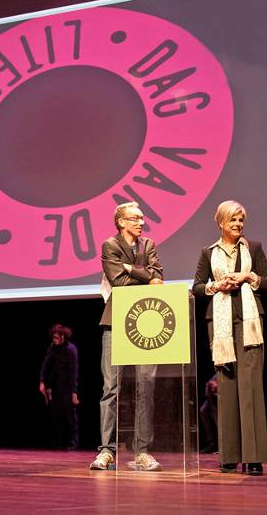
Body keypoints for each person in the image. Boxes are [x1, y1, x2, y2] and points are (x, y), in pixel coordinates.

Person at [193, 200, 267, 475]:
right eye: (233, 221)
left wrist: (249, 276)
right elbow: (197, 287)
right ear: (221, 223)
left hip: (249, 322)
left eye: (241, 220)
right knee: (226, 387)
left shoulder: (254, 248)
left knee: (250, 388)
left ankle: (253, 457)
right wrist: (217, 285)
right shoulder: (208, 253)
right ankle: (228, 456)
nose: (238, 225)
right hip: (220, 323)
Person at [90, 201, 163, 471]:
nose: (141, 222)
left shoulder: (149, 245)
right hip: (115, 322)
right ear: (121, 222)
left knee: (146, 386)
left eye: (142, 218)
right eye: (135, 218)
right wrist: (142, 275)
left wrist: (130, 269)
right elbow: (117, 283)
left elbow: (158, 275)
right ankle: (107, 451)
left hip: (145, 322)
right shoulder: (110, 245)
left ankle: (142, 451)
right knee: (111, 389)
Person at [39, 323, 80, 450]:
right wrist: (42, 382)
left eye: (56, 338)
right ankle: (57, 441)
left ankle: (74, 441)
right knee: (57, 415)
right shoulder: (53, 347)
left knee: (70, 415)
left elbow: (74, 371)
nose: (54, 340)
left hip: (68, 386)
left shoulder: (70, 349)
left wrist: (74, 392)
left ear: (62, 336)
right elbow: (45, 365)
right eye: (53, 338)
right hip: (56, 386)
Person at [199, 374, 218, 454]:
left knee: (216, 414)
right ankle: (212, 444)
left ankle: (222, 445)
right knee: (203, 411)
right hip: (212, 394)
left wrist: (218, 384)